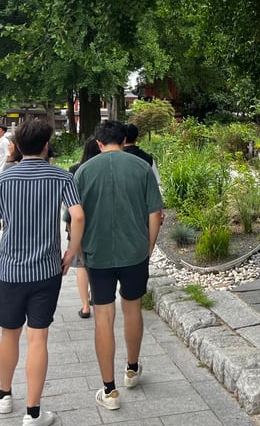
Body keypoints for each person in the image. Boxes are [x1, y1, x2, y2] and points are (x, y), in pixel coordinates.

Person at [0, 119, 84, 426]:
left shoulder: (2, 180)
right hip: (47, 270)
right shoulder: (62, 178)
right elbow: (77, 216)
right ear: (47, 144)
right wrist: (71, 251)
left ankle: (4, 394)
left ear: (16, 147)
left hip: (10, 271)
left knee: (9, 335)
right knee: (39, 338)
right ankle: (34, 413)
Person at [72, 120, 163, 412]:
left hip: (97, 253)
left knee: (103, 315)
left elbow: (76, 217)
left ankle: (109, 390)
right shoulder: (140, 167)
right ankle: (132, 369)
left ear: (98, 143)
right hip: (134, 251)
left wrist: (79, 251)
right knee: (132, 307)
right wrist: (147, 247)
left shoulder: (83, 171)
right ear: (124, 140)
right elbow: (155, 213)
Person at [68, 137, 100, 319]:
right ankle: (97, 296)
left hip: (76, 221)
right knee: (96, 262)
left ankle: (85, 305)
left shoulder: (74, 170)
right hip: (97, 222)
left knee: (81, 264)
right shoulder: (102, 171)